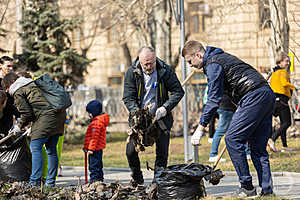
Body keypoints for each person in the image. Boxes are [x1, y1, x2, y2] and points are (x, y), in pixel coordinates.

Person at [182, 40, 274, 197]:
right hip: (266, 94)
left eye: (190, 61)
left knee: (232, 139)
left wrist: (201, 127)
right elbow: (227, 91)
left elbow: (213, 99)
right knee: (257, 148)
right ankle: (267, 191)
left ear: (198, 54)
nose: (191, 65)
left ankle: (247, 187)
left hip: (252, 96)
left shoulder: (212, 63)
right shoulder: (221, 58)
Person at [122, 46, 184, 187]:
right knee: (130, 151)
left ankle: (158, 181)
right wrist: (137, 113)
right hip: (139, 118)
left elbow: (178, 91)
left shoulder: (165, 70)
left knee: (162, 152)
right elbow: (128, 97)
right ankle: (137, 178)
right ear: (140, 61)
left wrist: (165, 108)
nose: (149, 67)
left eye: (151, 63)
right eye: (145, 64)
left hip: (160, 117)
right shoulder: (131, 73)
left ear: (155, 59)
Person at [1, 72, 66, 187]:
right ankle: (50, 183)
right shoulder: (32, 83)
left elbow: (27, 114)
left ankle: (34, 182)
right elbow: (37, 106)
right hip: (59, 116)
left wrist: (19, 126)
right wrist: (30, 126)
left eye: (6, 88)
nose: (6, 91)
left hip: (46, 118)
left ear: (11, 83)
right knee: (51, 150)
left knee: (35, 147)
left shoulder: (18, 90)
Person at [208, 94, 251, 162]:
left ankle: (246, 152)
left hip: (225, 107)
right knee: (221, 131)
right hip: (227, 108)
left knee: (237, 130)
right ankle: (213, 154)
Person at [268, 52, 295, 152]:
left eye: (289, 61)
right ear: (280, 62)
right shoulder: (283, 72)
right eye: (286, 61)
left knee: (283, 123)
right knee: (287, 123)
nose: (288, 63)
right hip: (282, 100)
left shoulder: (274, 73)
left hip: (275, 101)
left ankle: (284, 146)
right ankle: (272, 139)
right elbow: (284, 84)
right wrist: (293, 87)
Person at [83, 100, 109, 183]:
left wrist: (91, 149)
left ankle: (95, 181)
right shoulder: (97, 122)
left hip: (94, 150)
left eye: (89, 112)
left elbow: (94, 138)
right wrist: (85, 147)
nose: (88, 115)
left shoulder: (96, 123)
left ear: (93, 112)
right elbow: (90, 137)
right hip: (96, 149)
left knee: (94, 166)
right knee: (98, 165)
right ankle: (99, 180)